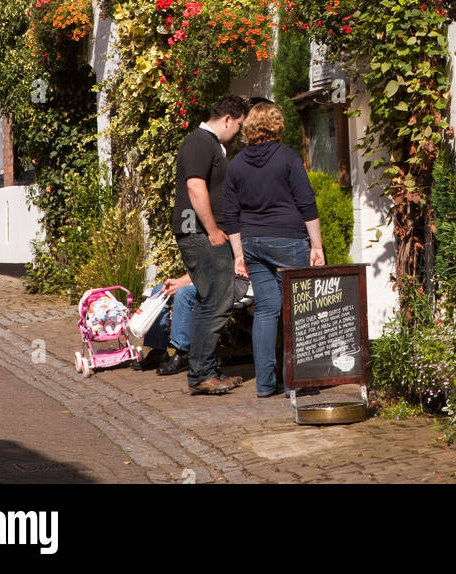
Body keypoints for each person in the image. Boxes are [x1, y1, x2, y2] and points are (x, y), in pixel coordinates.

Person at [224, 101, 325, 398]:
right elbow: (307, 203)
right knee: (298, 309)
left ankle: (266, 384)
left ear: (250, 129)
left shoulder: (236, 165)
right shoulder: (287, 158)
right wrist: (316, 245)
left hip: (253, 242)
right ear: (277, 125)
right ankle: (298, 380)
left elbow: (231, 214)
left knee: (267, 310)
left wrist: (239, 254)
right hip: (288, 240)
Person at [172, 93, 249, 396]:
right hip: (200, 234)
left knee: (212, 300)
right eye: (239, 125)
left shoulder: (210, 144)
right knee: (216, 301)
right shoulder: (199, 142)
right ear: (228, 119)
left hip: (204, 233)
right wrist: (213, 229)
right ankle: (201, 373)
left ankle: (206, 369)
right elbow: (194, 185)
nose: (240, 132)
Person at [135, 274, 197, 374]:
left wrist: (182, 285)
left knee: (183, 293)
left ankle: (182, 354)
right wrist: (178, 282)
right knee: (160, 291)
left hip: (217, 286)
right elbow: (197, 271)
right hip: (199, 282)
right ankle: (158, 352)